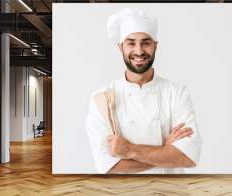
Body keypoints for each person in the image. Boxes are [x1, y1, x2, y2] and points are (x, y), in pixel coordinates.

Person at [85, 8, 202, 174]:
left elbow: (189, 157)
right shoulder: (102, 98)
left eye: (146, 43)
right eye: (131, 43)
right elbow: (109, 166)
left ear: (155, 46)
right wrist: (165, 150)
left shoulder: (176, 93)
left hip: (170, 195)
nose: (139, 51)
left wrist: (130, 150)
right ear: (120, 47)